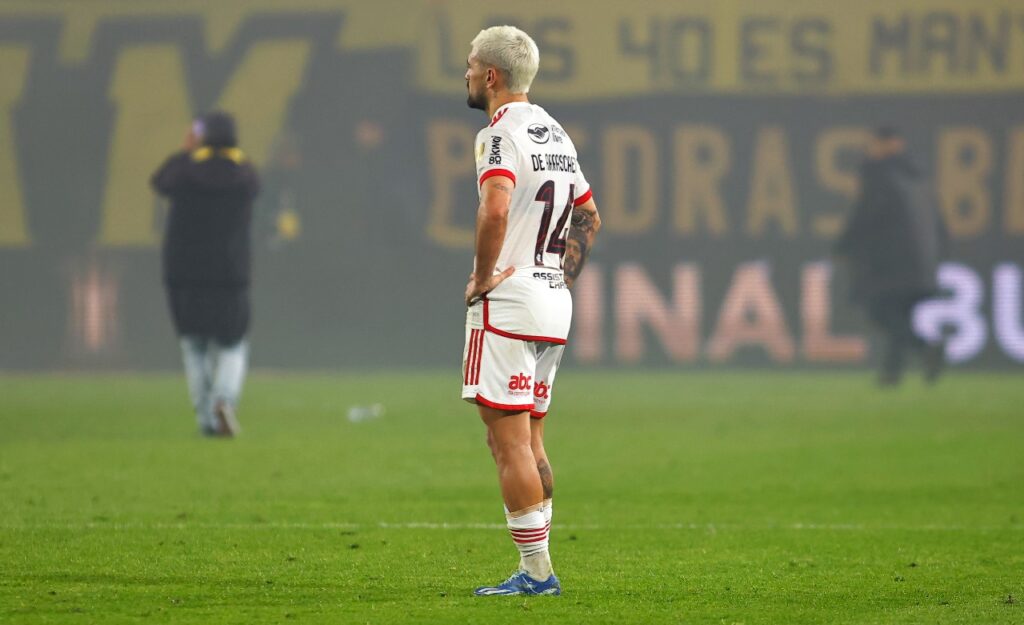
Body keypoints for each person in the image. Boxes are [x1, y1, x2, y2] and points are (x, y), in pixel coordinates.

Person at [461, 26, 601, 596]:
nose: (467, 74)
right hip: (552, 303)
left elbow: (495, 211)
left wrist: (482, 277)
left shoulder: (498, 137)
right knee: (533, 440)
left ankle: (537, 573)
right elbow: (590, 218)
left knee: (507, 442)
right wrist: (554, 282)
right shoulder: (556, 133)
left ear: (491, 75)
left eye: (470, 66)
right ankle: (539, 568)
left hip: (510, 305)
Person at [151, 111, 261, 436]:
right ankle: (223, 401)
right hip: (230, 272)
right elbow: (257, 185)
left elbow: (160, 181)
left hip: (185, 272)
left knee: (194, 346)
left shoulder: (185, 170)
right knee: (233, 344)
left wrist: (187, 152)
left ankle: (206, 420)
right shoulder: (244, 172)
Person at [835, 126, 946, 386]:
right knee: (901, 316)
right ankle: (891, 374)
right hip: (921, 263)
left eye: (874, 144)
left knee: (879, 310)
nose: (870, 150)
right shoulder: (917, 176)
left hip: (891, 264)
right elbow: (938, 224)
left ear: (889, 144)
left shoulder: (881, 175)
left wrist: (844, 245)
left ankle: (925, 348)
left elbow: (866, 216)